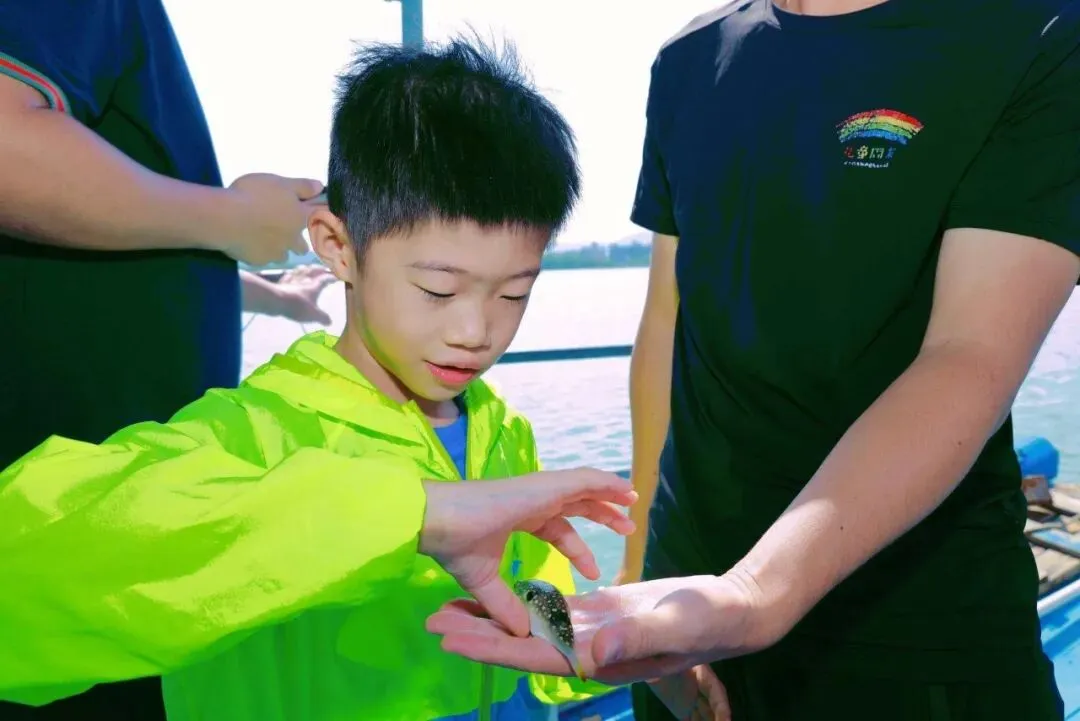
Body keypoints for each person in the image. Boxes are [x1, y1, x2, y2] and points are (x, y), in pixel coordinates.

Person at [427, 1, 1080, 719]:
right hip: (683, 613)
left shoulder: (1037, 34)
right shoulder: (689, 59)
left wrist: (756, 591)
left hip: (914, 621)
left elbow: (969, 353)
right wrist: (644, 564)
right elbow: (668, 318)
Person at [0, 36, 630, 721]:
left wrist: (593, 657)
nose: (476, 330)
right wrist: (414, 515)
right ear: (337, 246)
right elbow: (23, 566)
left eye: (513, 294)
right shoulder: (257, 432)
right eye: (439, 290)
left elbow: (533, 596)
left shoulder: (501, 429)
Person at [0, 2, 328, 716]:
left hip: (104, 524)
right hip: (73, 530)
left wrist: (274, 297)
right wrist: (232, 217)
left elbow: (119, 232)